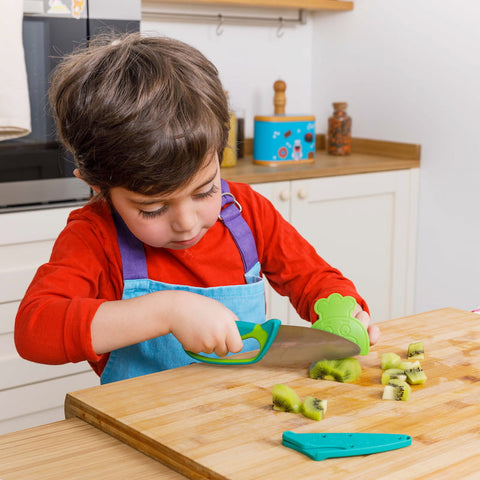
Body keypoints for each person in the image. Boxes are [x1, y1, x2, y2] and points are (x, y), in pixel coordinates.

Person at [14, 33, 380, 384]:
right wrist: (167, 311)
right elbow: (34, 331)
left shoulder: (247, 211)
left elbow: (315, 280)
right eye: (153, 208)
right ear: (99, 187)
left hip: (241, 414)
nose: (186, 224)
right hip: (142, 427)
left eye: (205, 192)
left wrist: (341, 312)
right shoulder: (94, 234)